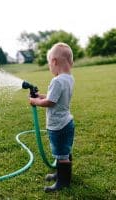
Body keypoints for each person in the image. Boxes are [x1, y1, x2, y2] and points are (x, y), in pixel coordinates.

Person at [29, 42, 75, 192]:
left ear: (54, 61)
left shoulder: (57, 81)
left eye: (49, 64)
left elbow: (49, 102)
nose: (50, 67)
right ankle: (61, 175)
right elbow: (55, 98)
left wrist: (35, 101)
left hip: (58, 126)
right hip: (67, 122)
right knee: (65, 152)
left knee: (61, 154)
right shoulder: (69, 78)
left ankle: (63, 183)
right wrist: (40, 96)